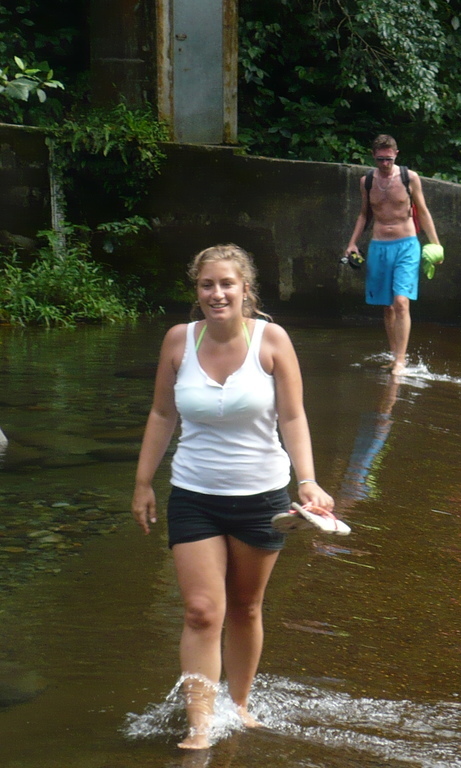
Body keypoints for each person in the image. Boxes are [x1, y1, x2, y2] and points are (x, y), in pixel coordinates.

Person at [131, 244, 337, 750]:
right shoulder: (178, 341)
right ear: (196, 290)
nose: (216, 293)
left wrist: (307, 480)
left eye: (227, 284)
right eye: (207, 285)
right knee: (202, 611)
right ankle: (200, 724)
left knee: (245, 607)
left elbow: (293, 417)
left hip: (263, 498)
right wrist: (142, 483)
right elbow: (162, 415)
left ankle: (240, 706)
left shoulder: (272, 340)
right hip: (193, 495)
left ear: (246, 289)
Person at [344, 134, 443, 375]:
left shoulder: (410, 178)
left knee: (401, 302)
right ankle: (394, 353)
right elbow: (364, 214)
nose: (385, 164)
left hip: (407, 244)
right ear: (374, 156)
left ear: (396, 155)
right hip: (380, 245)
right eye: (380, 159)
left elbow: (424, 211)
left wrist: (436, 244)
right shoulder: (367, 181)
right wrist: (352, 243)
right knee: (387, 306)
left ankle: (400, 360)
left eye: (388, 159)